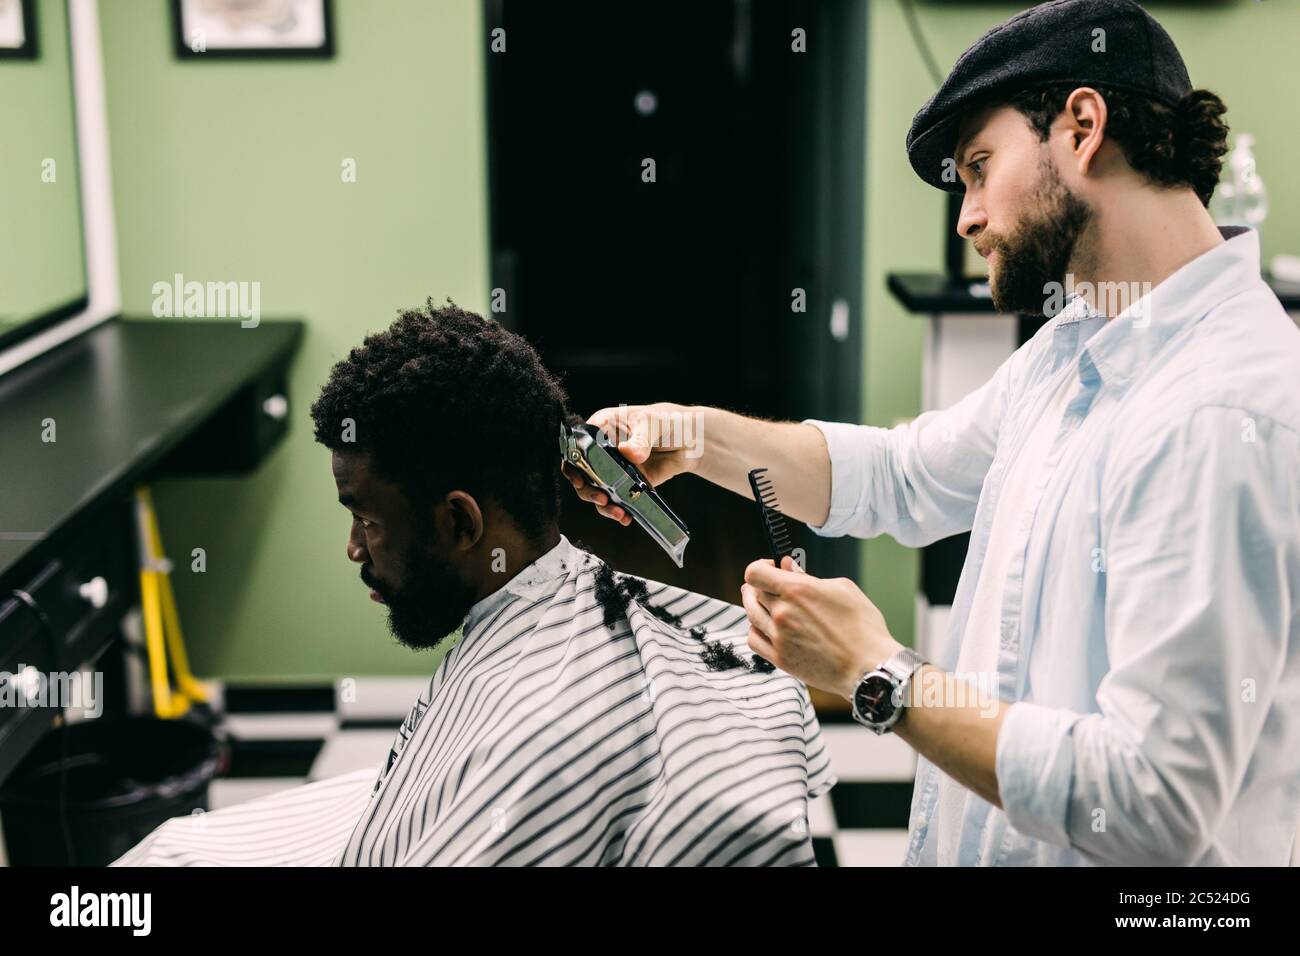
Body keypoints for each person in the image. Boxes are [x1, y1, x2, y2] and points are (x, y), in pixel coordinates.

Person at [565, 0, 1300, 866]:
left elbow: (1151, 801)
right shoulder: (1078, 342)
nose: (966, 217)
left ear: (1083, 126)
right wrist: (692, 436)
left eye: (980, 167)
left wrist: (881, 674)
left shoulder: (1217, 411)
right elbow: (903, 477)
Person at [114, 301, 833, 867]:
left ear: (461, 524)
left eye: (365, 519)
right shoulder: (564, 623)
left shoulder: (548, 729)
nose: (352, 548)